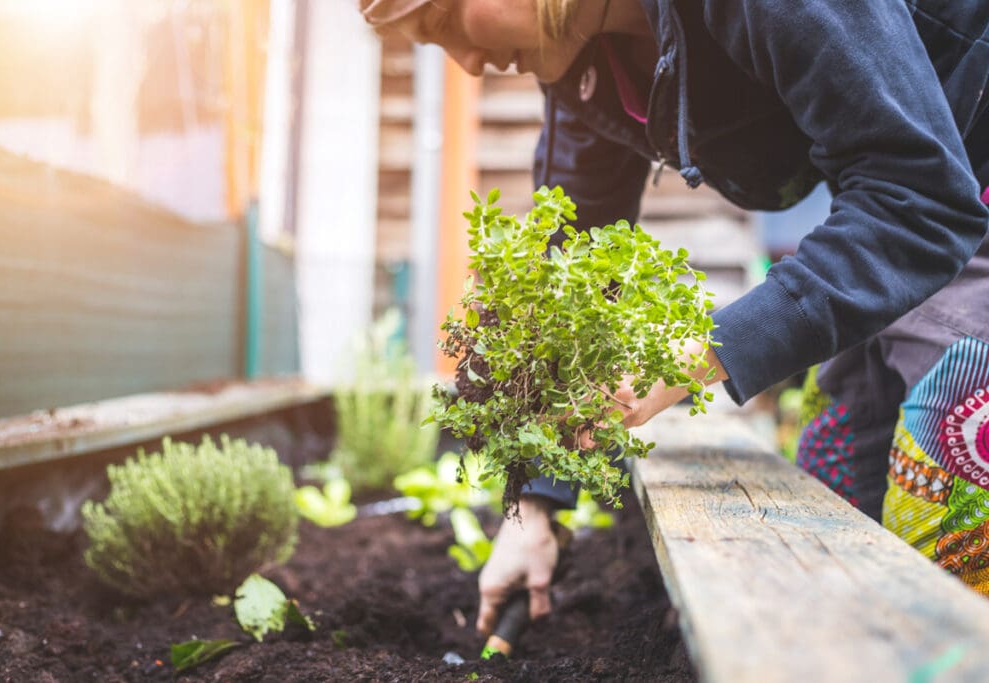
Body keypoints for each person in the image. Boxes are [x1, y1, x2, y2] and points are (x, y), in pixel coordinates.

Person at [359, 0, 989, 633]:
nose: (466, 65)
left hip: (956, 190)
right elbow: (575, 263)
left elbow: (918, 201)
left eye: (446, 24)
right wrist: (534, 509)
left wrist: (689, 358)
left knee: (951, 504)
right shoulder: (589, 59)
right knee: (838, 488)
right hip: (917, 207)